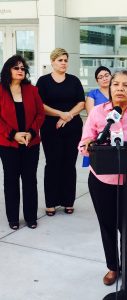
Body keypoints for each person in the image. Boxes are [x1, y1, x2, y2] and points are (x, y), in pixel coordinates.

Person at [78, 70, 127, 286]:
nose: (120, 89)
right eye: (116, 84)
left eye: (126, 85)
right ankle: (113, 267)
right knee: (107, 226)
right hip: (102, 181)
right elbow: (84, 143)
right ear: (109, 88)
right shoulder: (98, 112)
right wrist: (89, 145)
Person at [36, 48, 85, 216]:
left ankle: (68, 201)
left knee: (69, 164)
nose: (64, 63)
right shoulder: (43, 81)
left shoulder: (74, 81)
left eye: (65, 60)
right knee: (53, 164)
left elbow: (81, 103)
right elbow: (40, 105)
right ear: (52, 62)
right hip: (51, 128)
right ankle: (51, 202)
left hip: (72, 128)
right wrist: (60, 114)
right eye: (60, 60)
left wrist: (67, 116)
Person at [0, 54, 45, 230]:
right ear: (8, 70)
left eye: (22, 68)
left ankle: (30, 217)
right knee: (11, 181)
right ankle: (12, 218)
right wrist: (13, 134)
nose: (20, 71)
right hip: (8, 144)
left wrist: (31, 133)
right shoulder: (1, 90)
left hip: (30, 143)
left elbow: (40, 114)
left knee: (29, 180)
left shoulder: (32, 90)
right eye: (16, 68)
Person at [82, 66, 111, 167]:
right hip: (99, 131)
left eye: (107, 75)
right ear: (97, 80)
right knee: (98, 165)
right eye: (101, 77)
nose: (104, 78)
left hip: (117, 130)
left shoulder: (117, 92)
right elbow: (91, 115)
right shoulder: (93, 94)